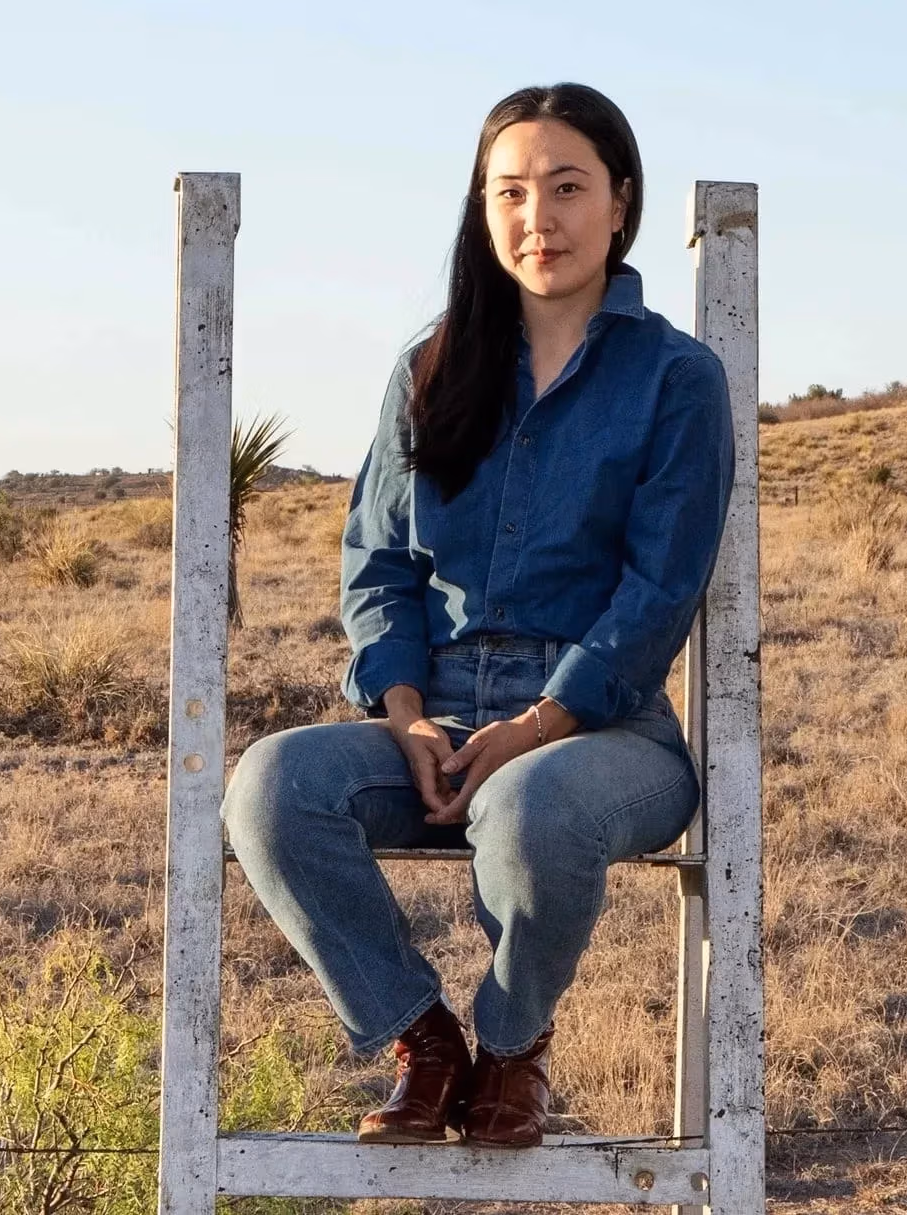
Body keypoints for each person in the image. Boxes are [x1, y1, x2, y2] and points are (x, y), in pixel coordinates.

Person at [220, 81, 734, 1149]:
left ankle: (512, 1049)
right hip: (433, 716)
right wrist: (405, 713)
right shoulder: (430, 366)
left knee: (533, 807)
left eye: (566, 186)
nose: (537, 217)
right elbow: (376, 561)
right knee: (270, 787)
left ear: (621, 203)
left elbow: (659, 592)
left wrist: (537, 726)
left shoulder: (677, 379)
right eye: (510, 192)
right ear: (482, 207)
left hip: (604, 731)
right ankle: (427, 1041)